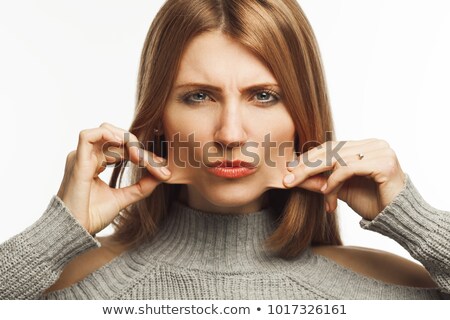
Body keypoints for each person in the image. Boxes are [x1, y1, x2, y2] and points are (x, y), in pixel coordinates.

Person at [1, 0, 449, 300]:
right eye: (199, 96)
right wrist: (54, 238)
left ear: (302, 117)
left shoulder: (388, 290)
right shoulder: (59, 288)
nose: (231, 133)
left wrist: (416, 221)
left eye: (264, 96)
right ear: (159, 117)